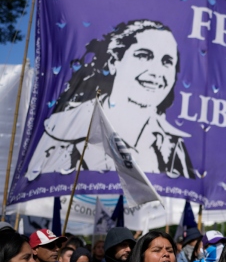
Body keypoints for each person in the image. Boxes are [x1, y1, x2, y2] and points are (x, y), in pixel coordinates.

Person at [26, 19, 194, 180]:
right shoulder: (63, 129)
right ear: (114, 62)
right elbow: (39, 194)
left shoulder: (173, 145)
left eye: (167, 61)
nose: (157, 72)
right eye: (144, 55)